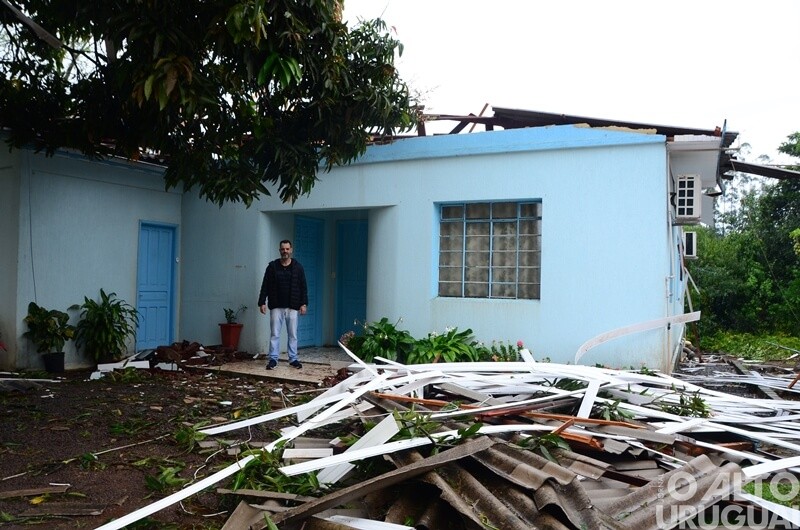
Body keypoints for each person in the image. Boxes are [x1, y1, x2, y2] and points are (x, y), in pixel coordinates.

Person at [257, 240, 308, 369]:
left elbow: (303, 287)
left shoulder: (298, 267)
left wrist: (304, 303)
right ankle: (273, 359)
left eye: (287, 249)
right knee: (274, 334)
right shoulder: (272, 267)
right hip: (276, 305)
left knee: (293, 335)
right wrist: (262, 302)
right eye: (282, 249)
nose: (285, 251)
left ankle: (293, 359)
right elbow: (265, 285)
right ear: (279, 250)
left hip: (293, 306)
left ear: (291, 250)